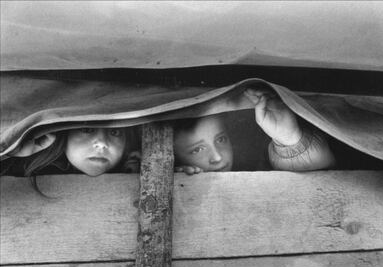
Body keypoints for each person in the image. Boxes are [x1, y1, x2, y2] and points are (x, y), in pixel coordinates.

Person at [173, 88, 336, 174]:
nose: (217, 157)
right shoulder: (178, 174)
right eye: (197, 150)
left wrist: (289, 139)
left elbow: (320, 175)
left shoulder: (258, 167)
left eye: (221, 139)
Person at [1, 127, 141, 183]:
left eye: (115, 132)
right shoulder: (24, 165)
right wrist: (9, 152)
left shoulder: (132, 166)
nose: (102, 143)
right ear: (65, 135)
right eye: (87, 129)